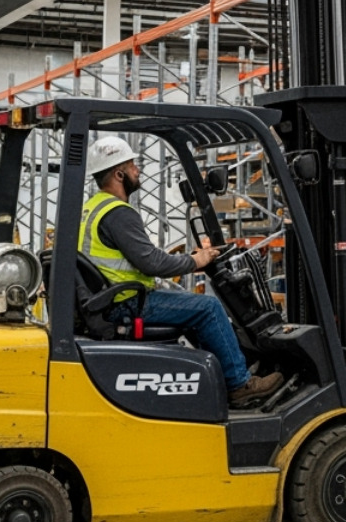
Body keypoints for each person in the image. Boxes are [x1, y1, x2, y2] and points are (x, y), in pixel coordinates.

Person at [79, 136, 282, 407]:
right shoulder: (119, 213)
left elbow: (137, 257)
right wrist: (196, 261)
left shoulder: (92, 208)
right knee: (208, 308)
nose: (137, 170)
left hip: (108, 300)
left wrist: (191, 258)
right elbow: (153, 263)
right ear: (119, 174)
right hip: (125, 304)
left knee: (192, 308)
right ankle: (238, 384)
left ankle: (218, 376)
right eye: (132, 166)